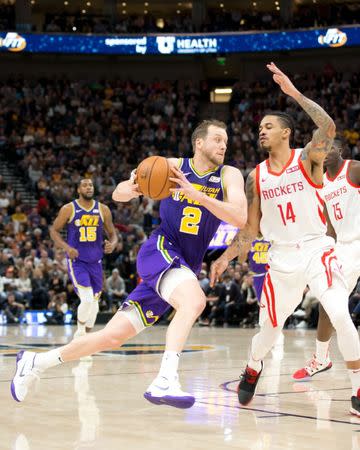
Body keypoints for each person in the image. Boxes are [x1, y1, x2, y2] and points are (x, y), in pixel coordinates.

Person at [10, 119, 247, 408]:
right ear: (199, 143)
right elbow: (118, 192)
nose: (224, 145)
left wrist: (195, 194)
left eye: (225, 140)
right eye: (217, 140)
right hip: (161, 249)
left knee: (111, 336)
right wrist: (135, 187)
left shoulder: (229, 175)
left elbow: (239, 217)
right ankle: (165, 380)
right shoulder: (171, 166)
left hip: (185, 265)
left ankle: (36, 361)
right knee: (195, 301)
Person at [210, 62, 360, 416]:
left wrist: (293, 93)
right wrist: (226, 257)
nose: (261, 131)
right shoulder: (255, 176)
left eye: (269, 126)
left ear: (286, 133)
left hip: (317, 249)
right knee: (268, 332)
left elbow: (328, 126)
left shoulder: (309, 159)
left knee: (339, 312)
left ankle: (357, 390)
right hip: (280, 259)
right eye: (260, 127)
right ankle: (253, 365)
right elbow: (250, 229)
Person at [293, 139, 360, 379]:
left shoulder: (353, 169)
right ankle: (321, 358)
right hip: (342, 247)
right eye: (320, 151)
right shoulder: (323, 185)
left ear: (339, 150)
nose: (324, 153)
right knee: (328, 302)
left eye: (329, 148)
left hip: (356, 245)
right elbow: (330, 226)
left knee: (333, 303)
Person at [49, 178, 118, 339]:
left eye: (91, 185)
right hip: (78, 261)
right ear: (78, 190)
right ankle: (79, 333)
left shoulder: (103, 209)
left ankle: (86, 337)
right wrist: (67, 248)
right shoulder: (69, 209)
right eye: (85, 185)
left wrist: (112, 245)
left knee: (94, 306)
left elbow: (113, 234)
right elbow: (54, 231)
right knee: (86, 299)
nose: (89, 187)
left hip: (96, 262)